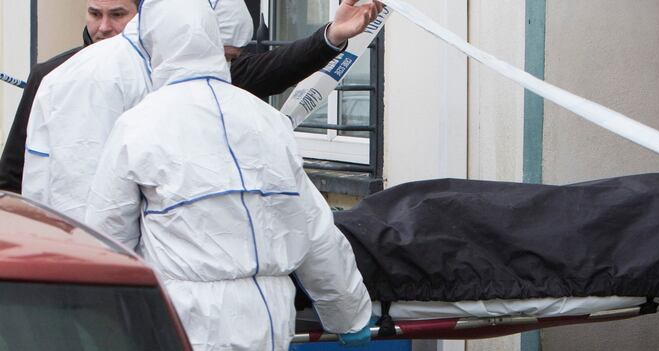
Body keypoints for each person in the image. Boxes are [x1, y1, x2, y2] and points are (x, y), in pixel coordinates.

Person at [84, 1, 372, 351]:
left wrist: (106, 331)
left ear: (153, 45)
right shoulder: (266, 121)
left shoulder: (138, 126)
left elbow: (107, 241)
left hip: (196, 318)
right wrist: (350, 313)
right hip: (270, 318)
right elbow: (315, 228)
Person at [0, 0, 383, 194]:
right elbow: (13, 177)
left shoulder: (181, 72)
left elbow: (271, 70)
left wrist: (332, 35)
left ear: (147, 17)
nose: (104, 27)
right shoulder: (52, 75)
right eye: (95, 14)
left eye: (117, 14)